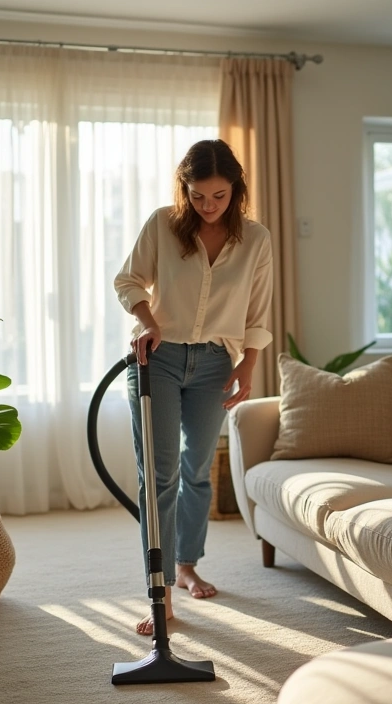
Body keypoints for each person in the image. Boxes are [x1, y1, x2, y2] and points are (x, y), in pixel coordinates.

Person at [114, 139, 273, 635]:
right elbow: (129, 281)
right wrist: (146, 320)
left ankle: (186, 565)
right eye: (199, 196)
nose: (208, 206)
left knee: (197, 470)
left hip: (213, 365)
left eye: (219, 196)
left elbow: (256, 313)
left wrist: (246, 368)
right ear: (185, 190)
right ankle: (159, 593)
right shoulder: (163, 224)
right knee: (159, 476)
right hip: (156, 358)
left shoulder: (256, 240)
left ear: (236, 190)